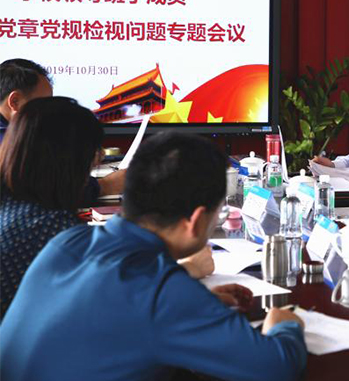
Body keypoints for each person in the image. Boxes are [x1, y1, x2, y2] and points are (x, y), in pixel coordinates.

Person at [0, 132, 306, 381]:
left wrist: (203, 302)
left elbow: (107, 313)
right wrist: (284, 323)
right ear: (196, 220)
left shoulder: (67, 242)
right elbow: (276, 367)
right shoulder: (163, 291)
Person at [0, 98, 214, 319]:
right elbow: (117, 299)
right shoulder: (50, 226)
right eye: (92, 154)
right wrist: (188, 269)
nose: (99, 158)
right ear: (69, 163)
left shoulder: (15, 204)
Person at [0, 58, 126, 200]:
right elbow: (48, 189)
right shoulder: (9, 144)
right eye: (44, 104)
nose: (48, 112)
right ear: (14, 101)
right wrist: (106, 185)